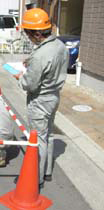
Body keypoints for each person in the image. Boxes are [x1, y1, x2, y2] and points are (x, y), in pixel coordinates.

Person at [13, 8, 69, 187]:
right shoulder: (60, 46)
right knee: (48, 135)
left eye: (28, 34)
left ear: (37, 34)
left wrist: (19, 77)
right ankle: (47, 172)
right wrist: (31, 61)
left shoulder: (40, 55)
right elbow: (49, 60)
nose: (28, 37)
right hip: (53, 97)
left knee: (38, 139)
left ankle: (35, 179)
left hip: (40, 100)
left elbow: (29, 84)